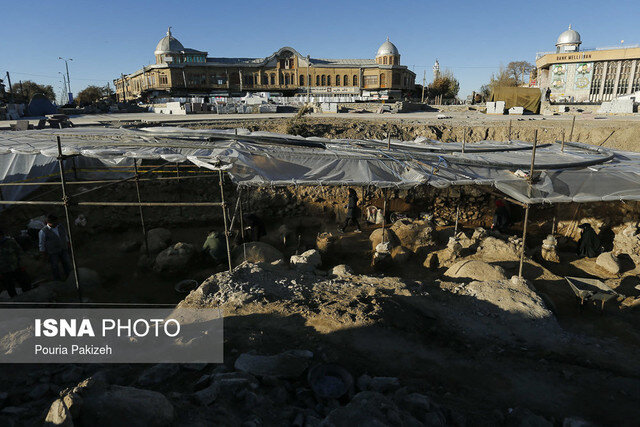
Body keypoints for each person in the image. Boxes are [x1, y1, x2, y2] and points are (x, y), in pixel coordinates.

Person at [39, 214, 72, 280]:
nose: (57, 223)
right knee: (55, 266)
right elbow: (41, 243)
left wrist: (68, 244)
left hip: (63, 249)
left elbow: (65, 236)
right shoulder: (43, 231)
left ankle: (70, 276)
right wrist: (43, 253)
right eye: (55, 222)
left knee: (67, 263)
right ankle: (57, 279)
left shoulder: (61, 227)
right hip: (53, 252)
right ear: (49, 223)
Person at [0, 228, 30, 297]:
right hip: (4, 270)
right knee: (10, 287)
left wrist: (22, 265)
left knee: (25, 283)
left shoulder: (10, 242)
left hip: (16, 267)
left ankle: (28, 297)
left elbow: (19, 253)